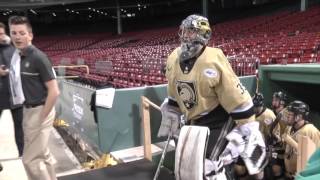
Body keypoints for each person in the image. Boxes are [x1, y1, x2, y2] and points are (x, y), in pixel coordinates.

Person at [158, 14, 266, 180]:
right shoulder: (173, 57)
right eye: (184, 30)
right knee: (190, 162)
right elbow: (174, 88)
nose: (186, 35)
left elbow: (234, 93)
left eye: (192, 31)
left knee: (210, 166)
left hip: (218, 117)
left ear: (204, 34)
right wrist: (172, 110)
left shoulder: (213, 58)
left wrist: (247, 125)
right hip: (193, 118)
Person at [9, 16, 60, 180]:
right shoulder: (19, 56)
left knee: (30, 160)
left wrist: (42, 116)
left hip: (40, 110)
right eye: (14, 33)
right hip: (28, 110)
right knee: (43, 154)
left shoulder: (38, 57)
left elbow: (54, 91)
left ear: (30, 35)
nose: (17, 37)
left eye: (22, 33)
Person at [0, 22, 24, 157]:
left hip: (15, 95)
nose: (1, 36)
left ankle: (22, 153)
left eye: (2, 33)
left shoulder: (13, 49)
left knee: (19, 126)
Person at [283, 100, 320, 179]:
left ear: (299, 117)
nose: (287, 116)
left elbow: (315, 158)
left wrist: (292, 142)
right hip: (287, 174)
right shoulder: (289, 128)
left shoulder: (311, 131)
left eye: (290, 114)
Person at [268, 91, 288, 180]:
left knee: (278, 169)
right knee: (274, 168)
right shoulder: (273, 112)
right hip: (276, 146)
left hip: (284, 147)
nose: (273, 102)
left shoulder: (286, 114)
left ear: (282, 102)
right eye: (273, 100)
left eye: (276, 100)